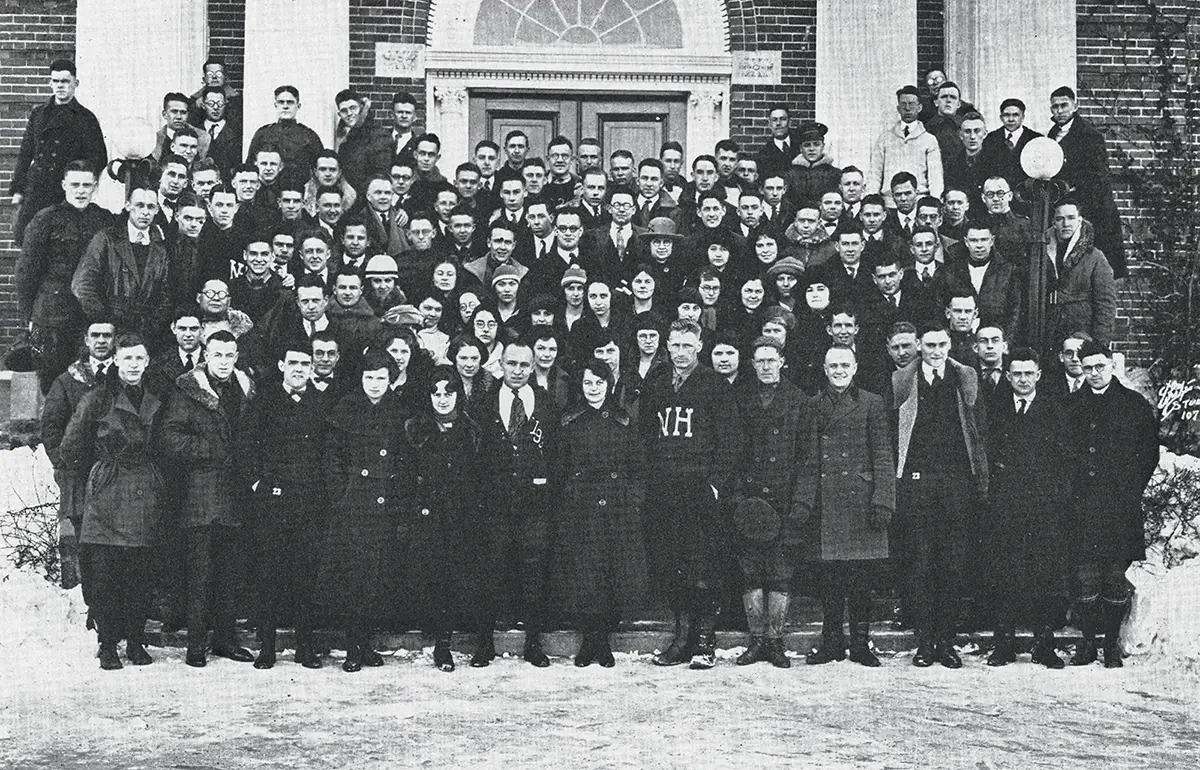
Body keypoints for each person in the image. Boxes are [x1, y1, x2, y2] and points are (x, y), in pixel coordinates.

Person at [58, 333, 162, 670]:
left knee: (140, 571)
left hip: (143, 489)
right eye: (127, 358)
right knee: (105, 574)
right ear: (116, 360)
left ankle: (135, 641)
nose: (133, 365)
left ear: (147, 363)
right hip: (108, 492)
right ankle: (107, 645)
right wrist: (97, 476)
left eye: (139, 359)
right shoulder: (97, 398)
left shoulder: (154, 397)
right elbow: (71, 448)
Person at [640, 320, 740, 669]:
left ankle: (704, 640)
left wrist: (714, 483)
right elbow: (646, 437)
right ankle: (681, 639)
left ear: (699, 346)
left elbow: (730, 440)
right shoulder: (656, 383)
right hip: (666, 488)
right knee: (672, 565)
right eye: (675, 345)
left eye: (687, 346)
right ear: (667, 346)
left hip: (700, 489)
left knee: (703, 566)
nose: (680, 352)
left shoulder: (714, 384)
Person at [157, 330, 257, 668]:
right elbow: (169, 437)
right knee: (200, 572)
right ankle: (196, 644)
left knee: (230, 572)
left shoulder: (245, 389)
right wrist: (210, 450)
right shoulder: (188, 391)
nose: (224, 362)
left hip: (237, 493)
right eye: (218, 355)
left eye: (230, 355)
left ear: (237, 355)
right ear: (206, 355)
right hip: (200, 493)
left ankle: (225, 640)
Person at [892, 322, 988, 669]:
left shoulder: (965, 377)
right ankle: (924, 641)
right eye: (929, 345)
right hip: (918, 483)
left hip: (956, 484)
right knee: (920, 562)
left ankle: (946, 641)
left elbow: (978, 430)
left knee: (952, 563)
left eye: (942, 344)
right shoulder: (903, 379)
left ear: (950, 344)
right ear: (919, 346)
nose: (936, 351)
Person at [797, 345, 896, 667]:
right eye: (833, 366)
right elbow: (809, 459)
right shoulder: (812, 406)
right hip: (827, 502)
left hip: (860, 502)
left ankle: (860, 645)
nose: (839, 371)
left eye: (844, 365)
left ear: (855, 368)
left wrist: (883, 500)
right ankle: (832, 644)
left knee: (860, 580)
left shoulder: (871, 403)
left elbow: (883, 455)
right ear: (824, 370)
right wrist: (804, 501)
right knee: (831, 580)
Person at [551, 358, 650, 668]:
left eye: (599, 383)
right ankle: (589, 640)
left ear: (609, 386)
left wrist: (632, 499)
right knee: (585, 574)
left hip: (616, 508)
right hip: (581, 508)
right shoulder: (570, 421)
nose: (594, 389)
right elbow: (560, 468)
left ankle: (603, 641)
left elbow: (638, 467)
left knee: (610, 573)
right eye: (588, 383)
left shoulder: (623, 420)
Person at [1066, 341, 1159, 668]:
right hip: (1081, 507)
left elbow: (1149, 454)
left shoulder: (1133, 405)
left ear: (1111, 365)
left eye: (1099, 367)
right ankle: (1088, 642)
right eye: (1087, 367)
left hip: (1119, 507)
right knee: (1085, 576)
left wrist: (1128, 490)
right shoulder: (1072, 404)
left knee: (1114, 577)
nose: (1093, 373)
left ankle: (1109, 644)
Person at [982, 348, 1075, 669]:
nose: (1022, 379)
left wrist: (1056, 500)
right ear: (1007, 377)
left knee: (1044, 577)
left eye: (1028, 373)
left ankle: (1043, 644)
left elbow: (1066, 462)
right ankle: (1003, 644)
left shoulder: (1054, 411)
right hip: (1005, 508)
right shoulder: (995, 410)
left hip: (1043, 509)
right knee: (1003, 574)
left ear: (1038, 375)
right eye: (1016, 374)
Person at [238, 343, 329, 669]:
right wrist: (257, 483)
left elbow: (328, 453)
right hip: (273, 502)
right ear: (281, 364)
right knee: (269, 574)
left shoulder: (320, 403)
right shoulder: (264, 402)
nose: (300, 368)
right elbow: (245, 446)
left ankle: (306, 646)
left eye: (306, 362)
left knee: (306, 574)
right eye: (293, 362)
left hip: (308, 502)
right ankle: (268, 647)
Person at [314, 349, 405, 672]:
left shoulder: (399, 410)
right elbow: (332, 459)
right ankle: (353, 647)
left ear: (390, 380)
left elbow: (405, 459)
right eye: (369, 378)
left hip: (386, 506)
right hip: (355, 506)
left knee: (377, 578)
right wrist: (342, 494)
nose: (375, 385)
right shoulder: (346, 408)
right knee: (354, 579)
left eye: (381, 378)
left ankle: (366, 645)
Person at [471, 340, 560, 668]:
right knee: (489, 573)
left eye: (525, 365)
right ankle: (484, 644)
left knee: (534, 575)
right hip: (494, 507)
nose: (519, 371)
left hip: (534, 507)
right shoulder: (482, 404)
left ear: (533, 365)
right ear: (502, 365)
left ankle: (533, 643)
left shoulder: (547, 404)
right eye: (512, 364)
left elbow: (556, 456)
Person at [396, 367, 485, 672]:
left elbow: (478, 477)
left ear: (459, 394)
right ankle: (431, 628)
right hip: (425, 515)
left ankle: (443, 645)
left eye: (449, 392)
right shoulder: (414, 429)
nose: (443, 399)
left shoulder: (471, 430)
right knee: (428, 577)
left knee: (453, 578)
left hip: (459, 516)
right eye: (436, 393)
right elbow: (405, 476)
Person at [729, 337, 803, 668]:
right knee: (750, 572)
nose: (766, 366)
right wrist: (736, 496)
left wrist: (801, 501)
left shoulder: (799, 401)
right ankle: (756, 641)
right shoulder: (740, 400)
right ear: (753, 364)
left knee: (780, 573)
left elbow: (806, 458)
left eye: (772, 360)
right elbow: (730, 450)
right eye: (760, 361)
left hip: (785, 501)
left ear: (783, 361)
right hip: (749, 501)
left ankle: (775, 642)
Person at [17, 160, 115, 393]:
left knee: (89, 381)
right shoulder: (45, 220)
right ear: (63, 185)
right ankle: (52, 427)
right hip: (49, 316)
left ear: (94, 187)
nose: (80, 191)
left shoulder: (104, 220)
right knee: (51, 380)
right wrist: (29, 317)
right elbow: (26, 272)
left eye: (86, 185)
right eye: (75, 184)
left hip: (87, 315)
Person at [40, 321, 115, 590]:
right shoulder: (68, 381)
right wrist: (61, 463)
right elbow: (50, 426)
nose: (101, 341)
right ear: (86, 339)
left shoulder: (126, 374)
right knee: (88, 542)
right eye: (95, 335)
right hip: (82, 476)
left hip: (117, 474)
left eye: (107, 335)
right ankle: (92, 602)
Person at [10, 59, 107, 242]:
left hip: (64, 193)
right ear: (50, 83)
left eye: (65, 81)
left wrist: (79, 183)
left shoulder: (86, 118)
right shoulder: (38, 114)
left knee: (62, 243)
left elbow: (99, 157)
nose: (60, 86)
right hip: (37, 189)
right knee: (29, 240)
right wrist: (18, 190)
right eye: (56, 81)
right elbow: (25, 153)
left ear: (75, 84)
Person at [71, 184, 172, 348]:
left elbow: (165, 293)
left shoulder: (160, 247)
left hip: (145, 336)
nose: (145, 212)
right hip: (109, 335)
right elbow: (82, 285)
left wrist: (151, 327)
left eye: (151, 207)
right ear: (128, 206)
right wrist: (106, 320)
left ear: (157, 210)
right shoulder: (106, 239)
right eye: (139, 205)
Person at [1047, 86, 1126, 278]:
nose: (1059, 111)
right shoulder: (1052, 135)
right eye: (1055, 107)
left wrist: (1071, 188)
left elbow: (1097, 176)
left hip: (1089, 207)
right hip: (1062, 207)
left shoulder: (1090, 135)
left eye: (1064, 105)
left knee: (1088, 264)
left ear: (1075, 105)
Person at [1043, 199, 1117, 350]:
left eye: (1071, 218)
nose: (1066, 224)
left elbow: (1105, 303)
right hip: (1048, 333)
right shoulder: (1042, 254)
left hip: (1082, 332)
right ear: (1053, 222)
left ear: (1079, 220)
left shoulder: (1094, 257)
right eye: (1060, 219)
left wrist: (1099, 344)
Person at [868, 85, 943, 207]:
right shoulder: (885, 138)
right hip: (890, 203)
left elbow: (936, 176)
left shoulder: (929, 140)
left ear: (919, 107)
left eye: (912, 104)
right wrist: (871, 201)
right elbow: (874, 174)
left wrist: (934, 203)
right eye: (903, 105)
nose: (907, 108)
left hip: (919, 203)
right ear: (898, 108)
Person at [245, 85, 325, 189]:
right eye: (281, 102)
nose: (285, 106)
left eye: (290, 102)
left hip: (297, 193)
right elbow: (250, 166)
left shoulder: (309, 136)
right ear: (275, 105)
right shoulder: (263, 134)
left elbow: (320, 168)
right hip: (267, 192)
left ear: (298, 106)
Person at [333, 88, 393, 196]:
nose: (349, 114)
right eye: (344, 111)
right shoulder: (344, 140)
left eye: (353, 108)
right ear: (339, 114)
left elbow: (381, 174)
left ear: (361, 107)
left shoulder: (378, 135)